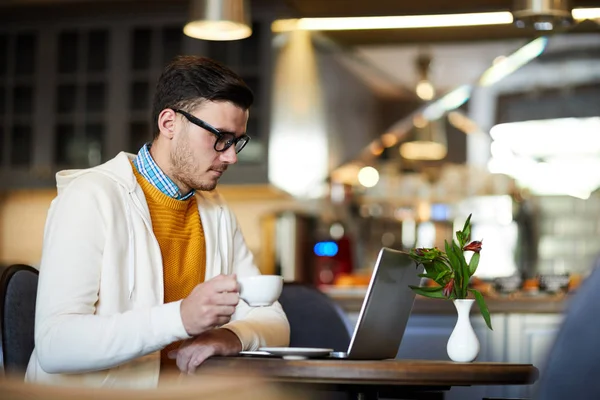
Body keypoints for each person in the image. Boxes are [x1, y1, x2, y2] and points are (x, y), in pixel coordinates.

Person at [25, 55, 290, 388]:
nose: (231, 156)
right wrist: (181, 318)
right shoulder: (89, 197)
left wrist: (230, 336)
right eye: (220, 137)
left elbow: (273, 319)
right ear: (169, 124)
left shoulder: (217, 212)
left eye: (236, 140)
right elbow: (55, 344)